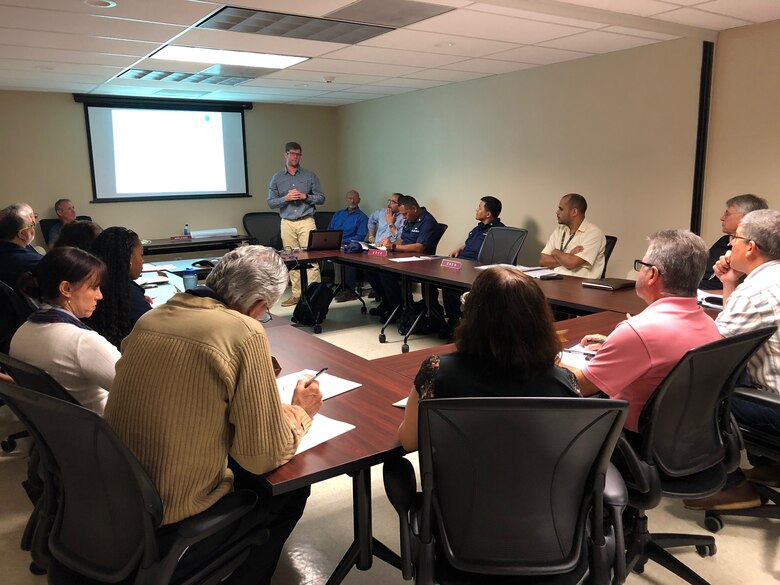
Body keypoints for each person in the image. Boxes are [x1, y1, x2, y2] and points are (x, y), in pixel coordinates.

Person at [104, 246, 323, 585]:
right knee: (291, 487)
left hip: (119, 497)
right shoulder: (243, 331)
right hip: (174, 514)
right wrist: (301, 412)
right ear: (259, 305)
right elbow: (262, 456)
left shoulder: (153, 316)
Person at [398, 266, 578, 451]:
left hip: (461, 479)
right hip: (540, 479)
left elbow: (410, 442)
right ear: (541, 320)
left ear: (471, 316)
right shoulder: (562, 381)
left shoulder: (437, 371)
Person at [562, 230, 721, 435]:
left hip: (627, 440)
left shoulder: (639, 332)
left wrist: (554, 358)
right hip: (682, 437)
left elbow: (579, 386)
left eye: (641, 266)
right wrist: (617, 346)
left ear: (653, 274)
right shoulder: (709, 323)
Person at [684, 209, 780, 510]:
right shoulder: (768, 281)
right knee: (738, 371)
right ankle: (772, 466)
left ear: (750, 247)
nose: (729, 246)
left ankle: (734, 486)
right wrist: (729, 282)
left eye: (733, 240)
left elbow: (710, 348)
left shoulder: (755, 292)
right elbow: (738, 329)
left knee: (692, 389)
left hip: (776, 407)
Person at [10, 246, 120, 414]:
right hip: (106, 431)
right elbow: (138, 390)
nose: (100, 296)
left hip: (58, 430)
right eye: (94, 287)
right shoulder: (82, 342)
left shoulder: (21, 334)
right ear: (66, 289)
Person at [267, 141, 325, 307]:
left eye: (298, 154)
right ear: (285, 155)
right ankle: (297, 295)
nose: (295, 157)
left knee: (311, 258)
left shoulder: (309, 175)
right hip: (287, 222)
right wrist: (285, 198)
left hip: (306, 220)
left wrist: (305, 196)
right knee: (292, 259)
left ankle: (314, 295)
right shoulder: (277, 177)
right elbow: (271, 202)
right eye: (292, 154)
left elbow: (321, 198)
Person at [367, 195, 440, 321]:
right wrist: (387, 244)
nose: (404, 217)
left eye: (405, 214)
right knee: (370, 270)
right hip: (404, 257)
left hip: (420, 262)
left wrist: (394, 247)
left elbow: (419, 247)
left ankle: (396, 309)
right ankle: (388, 303)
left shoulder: (428, 221)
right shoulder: (409, 220)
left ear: (414, 209)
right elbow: (403, 240)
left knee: (386, 273)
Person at [442, 196, 505, 328]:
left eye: (480, 207)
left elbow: (494, 258)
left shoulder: (499, 232)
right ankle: (452, 321)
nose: (476, 209)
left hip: (476, 271)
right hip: (462, 266)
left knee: (449, 285)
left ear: (488, 214)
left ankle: (459, 324)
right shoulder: (478, 229)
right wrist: (460, 248)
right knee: (443, 281)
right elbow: (470, 245)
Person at [86, 226, 151, 348]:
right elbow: (155, 325)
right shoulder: (129, 293)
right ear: (129, 258)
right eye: (141, 255)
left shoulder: (96, 284)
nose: (142, 261)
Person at [698, 194, 768, 289]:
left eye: (727, 214)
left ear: (744, 218)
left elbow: (743, 289)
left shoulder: (757, 250)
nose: (722, 218)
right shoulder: (724, 240)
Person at [539, 193, 606, 278]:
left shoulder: (594, 233)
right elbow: (543, 261)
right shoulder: (559, 230)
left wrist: (555, 252)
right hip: (555, 281)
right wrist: (568, 255)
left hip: (579, 287)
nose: (557, 212)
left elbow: (572, 263)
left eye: (561, 209)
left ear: (574, 212)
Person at [329, 190, 369, 302]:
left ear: (359, 200)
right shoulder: (338, 214)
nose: (352, 200)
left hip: (350, 246)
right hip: (334, 244)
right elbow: (330, 230)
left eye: (355, 198)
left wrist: (342, 242)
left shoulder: (362, 217)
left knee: (347, 255)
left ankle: (348, 291)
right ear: (346, 199)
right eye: (350, 198)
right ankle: (336, 287)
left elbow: (360, 236)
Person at [0, 203, 42, 288]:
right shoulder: (33, 262)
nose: (34, 227)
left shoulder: (5, 246)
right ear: (22, 234)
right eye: (32, 225)